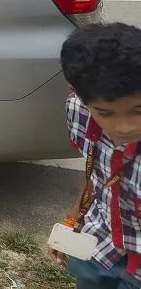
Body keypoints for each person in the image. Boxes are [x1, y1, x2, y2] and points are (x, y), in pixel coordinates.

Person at [54, 23, 141, 288]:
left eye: (138, 110)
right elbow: (97, 171)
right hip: (100, 241)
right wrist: (72, 220)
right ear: (79, 95)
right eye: (106, 113)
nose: (124, 126)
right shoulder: (78, 110)